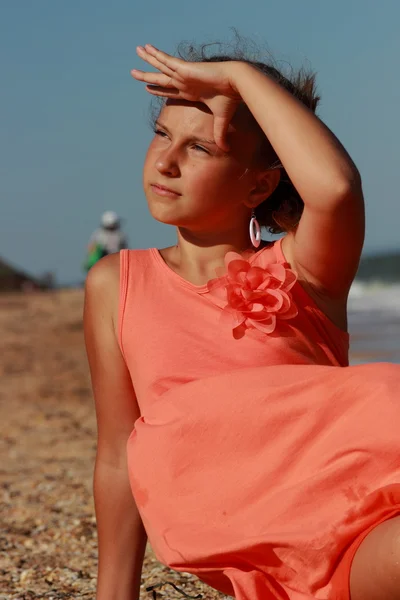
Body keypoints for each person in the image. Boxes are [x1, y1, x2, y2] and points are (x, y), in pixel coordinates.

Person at [84, 39, 400, 600]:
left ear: (260, 184)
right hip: (259, 551)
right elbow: (115, 455)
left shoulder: (305, 270)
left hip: (359, 530)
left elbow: (334, 189)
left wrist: (237, 78)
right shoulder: (117, 283)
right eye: (162, 134)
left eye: (201, 148)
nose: (166, 161)